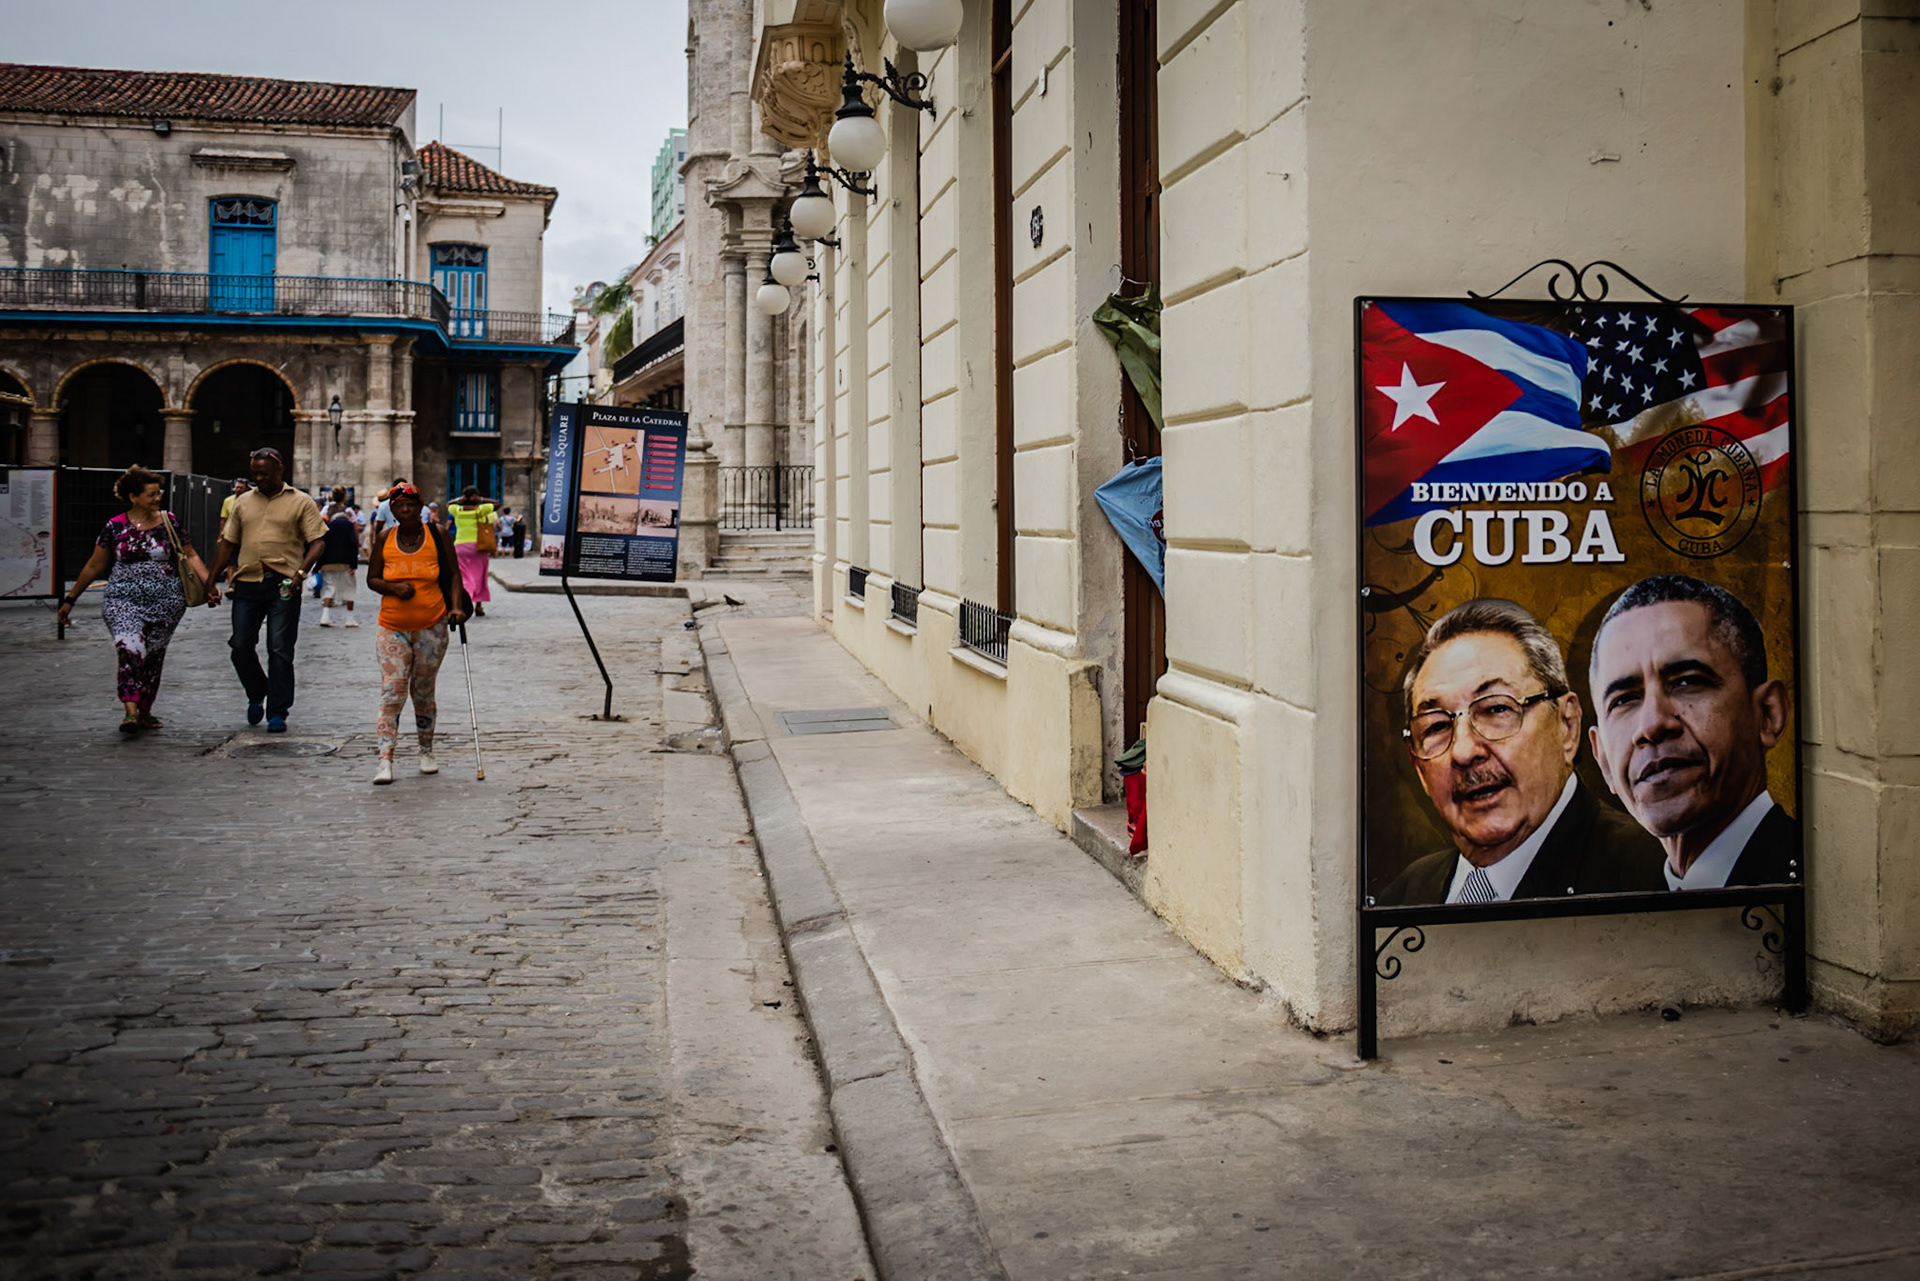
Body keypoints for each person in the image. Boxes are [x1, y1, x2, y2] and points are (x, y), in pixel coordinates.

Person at [1378, 598, 1663, 905]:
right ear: (1419, 769)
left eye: (1497, 708)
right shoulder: (1404, 896)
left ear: (1567, 726)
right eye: (1435, 727)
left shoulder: (1659, 875)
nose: (1463, 751)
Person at [1588, 575, 1798, 889]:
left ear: (1768, 714)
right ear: (1603, 760)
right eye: (1625, 700)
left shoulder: (1824, 885)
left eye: (1687, 681)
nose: (1652, 725)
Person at [56, 465, 219, 733]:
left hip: (167, 601)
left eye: (158, 493)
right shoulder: (115, 526)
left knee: (153, 656)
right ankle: (130, 710)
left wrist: (209, 584)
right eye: (150, 494)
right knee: (130, 649)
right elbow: (95, 565)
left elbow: (190, 555)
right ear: (133, 497)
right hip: (122, 599)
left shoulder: (169, 522)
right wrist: (70, 599)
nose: (157, 499)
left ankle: (145, 710)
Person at [204, 447, 326, 733]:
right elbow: (228, 544)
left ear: (279, 470)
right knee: (240, 646)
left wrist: (300, 573)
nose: (259, 479)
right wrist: (210, 580)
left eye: (265, 474)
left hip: (284, 583)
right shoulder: (242, 503)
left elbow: (318, 541)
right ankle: (257, 690)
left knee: (280, 648)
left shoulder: (301, 502)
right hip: (247, 583)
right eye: (255, 474)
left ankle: (278, 711)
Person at [365, 482, 470, 784]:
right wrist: (393, 587)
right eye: (399, 505)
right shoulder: (385, 537)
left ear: (421, 507)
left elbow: (453, 574)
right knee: (392, 692)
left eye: (411, 504)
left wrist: (456, 607)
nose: (406, 509)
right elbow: (372, 578)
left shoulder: (437, 535)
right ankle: (385, 758)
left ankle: (426, 750)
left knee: (423, 691)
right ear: (393, 510)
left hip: (432, 625)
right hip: (392, 627)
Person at [447, 485, 496, 617]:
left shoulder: (457, 510)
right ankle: (478, 606)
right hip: (479, 546)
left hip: (460, 546)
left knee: (463, 576)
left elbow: (448, 504)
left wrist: (460, 499)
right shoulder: (481, 510)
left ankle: (464, 600)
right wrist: (481, 499)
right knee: (480, 576)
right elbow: (497, 504)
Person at [317, 487, 361, 628]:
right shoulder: (348, 513)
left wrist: (319, 563)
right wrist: (354, 562)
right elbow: (354, 537)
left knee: (329, 587)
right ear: (344, 497)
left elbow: (321, 534)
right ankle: (349, 619)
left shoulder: (325, 511)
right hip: (345, 559)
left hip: (329, 557)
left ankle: (325, 616)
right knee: (349, 587)